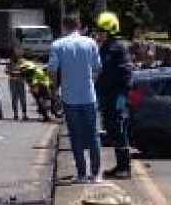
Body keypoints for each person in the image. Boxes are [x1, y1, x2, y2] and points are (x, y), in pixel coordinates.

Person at [48, 13, 101, 182]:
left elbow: (52, 70)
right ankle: (96, 173)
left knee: (75, 135)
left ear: (64, 27)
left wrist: (55, 89)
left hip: (69, 97)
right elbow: (97, 68)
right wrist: (90, 82)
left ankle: (81, 173)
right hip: (88, 95)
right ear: (79, 25)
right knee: (93, 134)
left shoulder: (58, 45)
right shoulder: (90, 43)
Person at [95, 11, 132, 179]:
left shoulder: (117, 49)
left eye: (101, 30)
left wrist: (120, 99)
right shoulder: (105, 48)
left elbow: (125, 76)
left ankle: (125, 167)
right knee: (112, 128)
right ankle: (119, 165)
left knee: (119, 127)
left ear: (109, 31)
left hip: (118, 96)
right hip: (108, 96)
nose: (98, 33)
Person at [6, 46, 29, 121]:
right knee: (14, 98)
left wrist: (18, 73)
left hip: (20, 81)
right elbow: (6, 70)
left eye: (18, 52)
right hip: (12, 81)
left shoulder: (23, 61)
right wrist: (11, 72)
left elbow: (26, 71)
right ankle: (15, 114)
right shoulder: (10, 61)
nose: (16, 54)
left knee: (22, 98)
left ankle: (24, 114)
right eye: (15, 52)